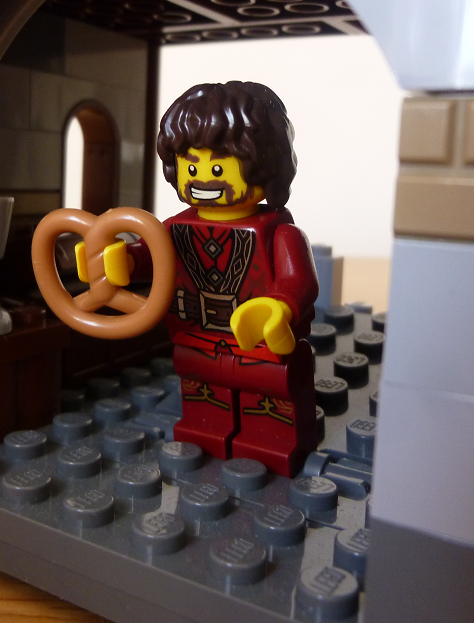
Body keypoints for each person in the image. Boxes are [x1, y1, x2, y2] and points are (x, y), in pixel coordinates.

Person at [101, 81, 319, 477]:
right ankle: (206, 432)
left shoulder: (280, 234)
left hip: (259, 344)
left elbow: (298, 280)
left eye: (218, 168)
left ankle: (273, 440)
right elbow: (150, 258)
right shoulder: (174, 229)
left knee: (270, 390)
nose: (202, 179)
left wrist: (278, 307)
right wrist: (122, 260)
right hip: (196, 338)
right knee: (203, 390)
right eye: (191, 166)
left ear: (265, 165)